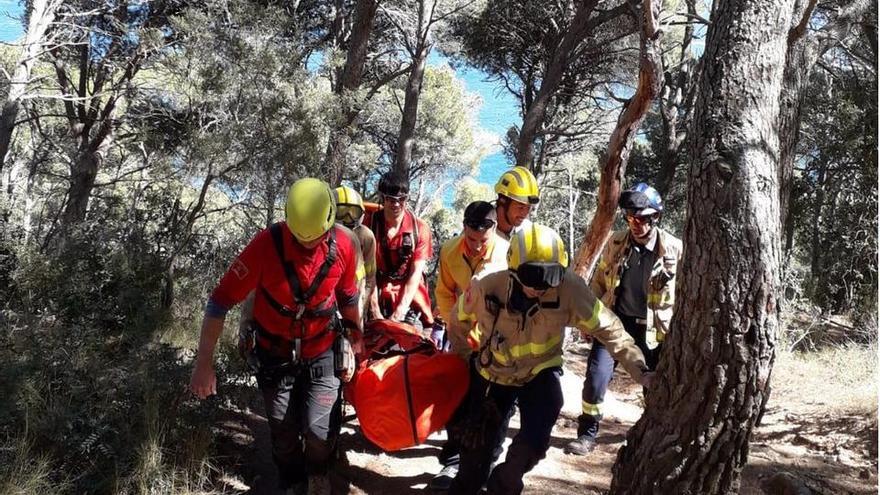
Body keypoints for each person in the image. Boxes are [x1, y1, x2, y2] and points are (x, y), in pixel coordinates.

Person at [447, 224, 652, 495]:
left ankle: (502, 485)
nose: (539, 287)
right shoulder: (488, 284)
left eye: (549, 277)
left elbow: (609, 329)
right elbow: (457, 320)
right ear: (513, 268)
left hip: (540, 372)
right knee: (475, 457)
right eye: (531, 276)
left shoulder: (570, 289)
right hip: (494, 374)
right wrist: (462, 363)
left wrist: (642, 372)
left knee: (533, 441)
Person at [189, 178, 364, 495]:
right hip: (274, 352)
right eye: (299, 239)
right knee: (283, 435)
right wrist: (204, 364)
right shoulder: (265, 246)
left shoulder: (346, 245)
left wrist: (354, 341)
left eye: (315, 239)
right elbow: (220, 301)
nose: (307, 245)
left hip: (323, 347)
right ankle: (293, 481)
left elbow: (349, 298)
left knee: (319, 433)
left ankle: (319, 471)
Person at [564, 182, 683, 456]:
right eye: (630, 217)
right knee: (595, 378)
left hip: (655, 331)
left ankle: (652, 441)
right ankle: (586, 435)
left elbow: (689, 292)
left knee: (653, 387)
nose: (635, 224)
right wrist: (588, 320)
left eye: (641, 218)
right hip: (615, 325)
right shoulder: (616, 242)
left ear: (656, 218)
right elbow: (597, 284)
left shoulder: (675, 249)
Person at [428, 200, 509, 490]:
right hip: (461, 335)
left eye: (482, 240)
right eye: (470, 238)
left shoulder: (506, 255)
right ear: (463, 228)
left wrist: (485, 334)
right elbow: (444, 292)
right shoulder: (450, 251)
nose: (475, 246)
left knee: (492, 405)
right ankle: (451, 462)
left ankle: (484, 466)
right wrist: (456, 328)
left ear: (494, 231)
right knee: (458, 397)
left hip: (496, 338)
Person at [369, 171, 434, 327]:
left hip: (409, 296)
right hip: (375, 289)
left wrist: (400, 312)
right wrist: (374, 310)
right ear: (382, 197)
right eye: (390, 199)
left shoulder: (420, 229)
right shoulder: (369, 225)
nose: (396, 204)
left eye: (402, 199)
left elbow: (415, 273)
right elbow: (366, 271)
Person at [335, 185, 378, 317]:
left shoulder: (366, 236)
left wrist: (361, 307)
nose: (348, 217)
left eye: (353, 212)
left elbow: (370, 278)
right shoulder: (319, 233)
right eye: (342, 210)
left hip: (354, 299)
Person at [493, 166, 540, 241]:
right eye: (520, 207)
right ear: (503, 201)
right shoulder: (478, 230)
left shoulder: (528, 231)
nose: (525, 214)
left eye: (528, 208)